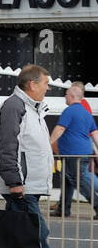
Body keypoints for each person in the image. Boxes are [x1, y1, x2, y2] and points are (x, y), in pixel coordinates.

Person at [0, 64, 83, 248]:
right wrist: (14, 181)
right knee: (35, 232)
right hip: (22, 184)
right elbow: (7, 147)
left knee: (16, 232)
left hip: (28, 183)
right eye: (45, 83)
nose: (48, 87)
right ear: (32, 84)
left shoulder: (32, 108)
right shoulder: (14, 106)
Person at [50, 82, 98, 218]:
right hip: (82, 152)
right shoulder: (86, 113)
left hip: (73, 153)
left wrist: (48, 143)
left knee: (78, 181)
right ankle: (63, 209)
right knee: (66, 180)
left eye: (66, 95)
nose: (65, 97)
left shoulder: (69, 111)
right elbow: (95, 133)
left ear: (71, 96)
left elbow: (60, 129)